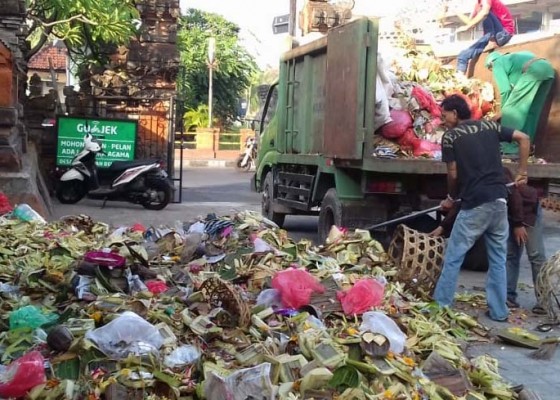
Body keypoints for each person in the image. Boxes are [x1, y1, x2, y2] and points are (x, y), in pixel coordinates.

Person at [433, 94, 530, 322]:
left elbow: (453, 173)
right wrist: (522, 171)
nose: (442, 120)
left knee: (454, 256)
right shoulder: (489, 126)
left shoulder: (451, 136)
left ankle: (441, 306)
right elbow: (523, 138)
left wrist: (450, 197)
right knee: (497, 259)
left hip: (475, 204)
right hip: (499, 202)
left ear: (455, 114)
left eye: (444, 115)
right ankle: (498, 312)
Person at [431, 168, 547, 314]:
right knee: (510, 255)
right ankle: (508, 297)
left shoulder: (498, 172)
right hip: (505, 212)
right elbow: (462, 203)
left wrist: (518, 224)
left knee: (535, 255)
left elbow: (515, 196)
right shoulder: (470, 175)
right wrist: (443, 226)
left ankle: (543, 301)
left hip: (526, 210)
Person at [485, 51, 556, 154]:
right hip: (548, 70)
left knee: (511, 111)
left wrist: (504, 111)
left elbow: (505, 90)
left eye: (490, 70)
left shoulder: (497, 62)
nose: (493, 71)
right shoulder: (515, 58)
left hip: (533, 71)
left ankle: (509, 149)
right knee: (532, 112)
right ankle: (526, 146)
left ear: (490, 64)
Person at [452, 0, 515, 75]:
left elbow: (485, 12)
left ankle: (492, 40)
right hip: (489, 36)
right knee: (463, 55)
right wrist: (455, 11)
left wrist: (466, 27)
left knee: (484, 11)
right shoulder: (478, 5)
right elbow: (471, 22)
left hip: (504, 32)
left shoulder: (485, 3)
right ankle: (461, 79)